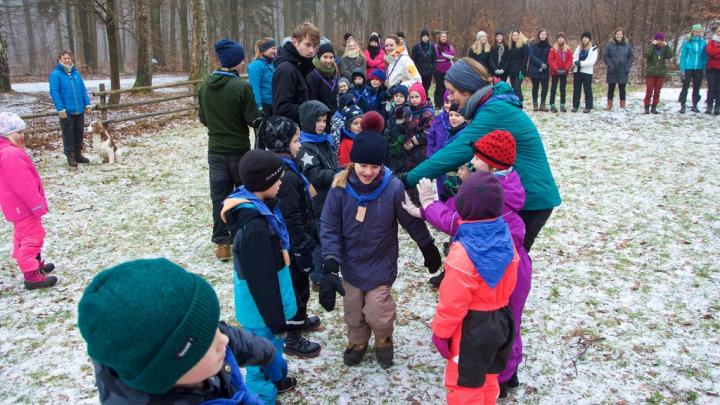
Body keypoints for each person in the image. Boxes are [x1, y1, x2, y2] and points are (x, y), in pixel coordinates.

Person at [77, 258, 288, 405]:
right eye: (204, 342)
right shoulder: (151, 349)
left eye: (212, 327)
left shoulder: (190, 347)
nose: (222, 339)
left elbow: (224, 336)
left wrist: (266, 353)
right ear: (165, 371)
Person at [403, 58, 561, 252]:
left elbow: (458, 150)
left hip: (531, 198)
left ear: (467, 90)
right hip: (514, 193)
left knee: (506, 261)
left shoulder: (494, 110)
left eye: (452, 92)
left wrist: (407, 180)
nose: (451, 98)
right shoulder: (490, 105)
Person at [318, 130, 441, 368]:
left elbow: (410, 219)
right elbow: (329, 226)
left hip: (380, 263)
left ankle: (383, 338)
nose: (368, 172)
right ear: (353, 162)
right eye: (363, 165)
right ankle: (357, 342)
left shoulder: (392, 187)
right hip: (351, 264)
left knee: (377, 311)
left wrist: (427, 246)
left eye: (375, 166)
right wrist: (331, 262)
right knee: (353, 310)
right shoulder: (339, 188)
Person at [430, 171, 518, 405]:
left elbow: (452, 303)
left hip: (472, 329)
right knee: (489, 379)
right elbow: (511, 280)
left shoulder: (463, 253)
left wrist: (441, 333)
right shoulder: (505, 236)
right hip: (501, 320)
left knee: (464, 387)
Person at [220, 149, 301, 403]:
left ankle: (277, 376)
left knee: (271, 348)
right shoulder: (255, 226)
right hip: (262, 308)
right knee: (260, 355)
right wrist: (276, 319)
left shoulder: (260, 209)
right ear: (265, 183)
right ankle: (261, 396)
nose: (281, 183)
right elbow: (261, 279)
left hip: (268, 304)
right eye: (277, 179)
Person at [256, 117, 324, 359]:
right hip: (291, 245)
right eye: (295, 140)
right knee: (295, 288)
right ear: (282, 143)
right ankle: (293, 336)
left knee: (300, 284)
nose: (299, 145)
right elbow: (290, 216)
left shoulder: (283, 167)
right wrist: (302, 245)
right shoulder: (286, 177)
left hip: (292, 242)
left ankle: (300, 319)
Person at [198, 38, 262, 261]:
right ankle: (245, 237)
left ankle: (222, 244)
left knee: (219, 197)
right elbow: (253, 118)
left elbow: (203, 118)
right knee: (243, 195)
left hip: (215, 151)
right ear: (235, 61)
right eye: (241, 58)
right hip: (238, 150)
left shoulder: (204, 86)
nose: (244, 62)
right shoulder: (241, 87)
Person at [0, 112, 57, 290]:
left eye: (23, 132)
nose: (22, 136)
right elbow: (23, 185)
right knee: (32, 237)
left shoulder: (8, 151)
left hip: (17, 207)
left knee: (24, 236)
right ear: (6, 134)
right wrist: (37, 205)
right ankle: (31, 275)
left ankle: (34, 264)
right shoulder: (11, 155)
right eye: (18, 133)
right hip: (24, 207)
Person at [48, 51, 92, 167]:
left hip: (79, 110)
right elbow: (54, 92)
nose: (67, 60)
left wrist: (87, 104)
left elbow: (83, 89)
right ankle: (70, 156)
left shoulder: (76, 73)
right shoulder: (56, 74)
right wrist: (60, 109)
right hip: (66, 111)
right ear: (60, 59)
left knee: (79, 132)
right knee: (68, 134)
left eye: (68, 58)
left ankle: (78, 154)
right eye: (64, 58)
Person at [296, 100, 339, 219]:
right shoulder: (305, 147)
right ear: (308, 121)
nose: (322, 125)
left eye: (324, 121)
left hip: (331, 195)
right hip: (319, 201)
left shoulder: (324, 140)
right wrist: (338, 173)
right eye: (318, 121)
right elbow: (314, 174)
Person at [272, 22, 320, 124]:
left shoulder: (304, 66)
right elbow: (281, 109)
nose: (312, 50)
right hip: (291, 133)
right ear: (295, 42)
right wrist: (311, 109)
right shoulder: (286, 69)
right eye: (308, 45)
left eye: (314, 46)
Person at [678, 24, 707, 113]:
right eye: (696, 31)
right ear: (693, 32)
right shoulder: (687, 43)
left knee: (697, 87)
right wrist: (682, 68)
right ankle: (683, 105)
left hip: (698, 68)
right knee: (685, 86)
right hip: (688, 67)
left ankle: (695, 105)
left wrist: (704, 67)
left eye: (699, 32)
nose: (697, 33)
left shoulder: (703, 43)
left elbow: (704, 57)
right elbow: (683, 56)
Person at [602, 29, 634, 111]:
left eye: (620, 34)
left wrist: (627, 67)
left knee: (622, 88)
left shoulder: (627, 45)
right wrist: (610, 65)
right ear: (614, 35)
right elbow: (605, 56)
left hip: (623, 70)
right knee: (611, 88)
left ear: (623, 35)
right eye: (617, 34)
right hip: (612, 70)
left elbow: (631, 57)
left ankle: (622, 105)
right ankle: (609, 105)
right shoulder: (609, 45)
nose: (618, 36)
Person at [643, 32, 674, 114]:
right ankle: (646, 107)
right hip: (651, 72)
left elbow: (670, 55)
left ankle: (654, 107)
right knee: (649, 90)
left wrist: (666, 46)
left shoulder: (664, 48)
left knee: (657, 91)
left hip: (660, 73)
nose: (659, 41)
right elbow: (646, 54)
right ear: (655, 40)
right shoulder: (651, 47)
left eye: (661, 40)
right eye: (658, 40)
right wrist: (652, 45)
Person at [307, 42, 339, 117]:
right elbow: (312, 101)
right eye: (325, 57)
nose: (328, 61)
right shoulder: (312, 76)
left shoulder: (334, 74)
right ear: (319, 57)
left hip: (334, 116)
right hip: (320, 118)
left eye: (331, 57)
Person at [248, 37, 277, 115]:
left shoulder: (272, 64)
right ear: (264, 49)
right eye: (273, 48)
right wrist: (259, 106)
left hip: (274, 103)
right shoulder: (255, 65)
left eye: (275, 48)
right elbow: (254, 87)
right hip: (264, 105)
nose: (275, 51)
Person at [384, 85, 410, 172]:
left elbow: (407, 127)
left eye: (401, 96)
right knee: (391, 162)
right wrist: (386, 135)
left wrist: (400, 140)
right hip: (392, 139)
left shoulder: (407, 110)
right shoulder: (392, 108)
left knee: (401, 164)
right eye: (396, 96)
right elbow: (389, 123)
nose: (398, 98)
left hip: (401, 142)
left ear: (405, 97)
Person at [572, 31, 598, 113]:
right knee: (576, 89)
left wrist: (581, 63)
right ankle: (575, 105)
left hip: (587, 72)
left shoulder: (593, 49)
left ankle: (588, 106)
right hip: (577, 71)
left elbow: (592, 61)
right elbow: (573, 58)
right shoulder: (578, 48)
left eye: (586, 38)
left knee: (587, 89)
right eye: (583, 38)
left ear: (589, 39)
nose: (584, 39)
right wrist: (575, 62)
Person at [548, 32, 573, 112]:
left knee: (563, 88)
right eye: (559, 38)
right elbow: (550, 60)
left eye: (562, 38)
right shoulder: (553, 49)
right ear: (557, 39)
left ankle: (562, 104)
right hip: (555, 72)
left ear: (564, 39)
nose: (560, 39)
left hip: (564, 72)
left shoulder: (567, 49)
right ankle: (552, 104)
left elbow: (570, 59)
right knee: (553, 88)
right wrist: (556, 69)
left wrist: (566, 69)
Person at [528, 29, 551, 111]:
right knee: (535, 87)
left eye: (545, 34)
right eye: (542, 34)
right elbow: (531, 56)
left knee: (544, 87)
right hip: (534, 68)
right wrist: (541, 64)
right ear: (539, 35)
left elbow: (550, 57)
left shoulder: (549, 46)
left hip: (545, 70)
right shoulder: (533, 44)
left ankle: (542, 104)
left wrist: (546, 65)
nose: (543, 36)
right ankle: (535, 104)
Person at [434, 32, 456, 108]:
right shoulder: (436, 46)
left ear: (447, 38)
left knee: (446, 87)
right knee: (438, 87)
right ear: (439, 38)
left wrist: (443, 53)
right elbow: (436, 55)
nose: (443, 38)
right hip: (438, 70)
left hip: (447, 70)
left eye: (445, 37)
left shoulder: (449, 46)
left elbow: (452, 54)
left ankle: (445, 102)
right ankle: (437, 104)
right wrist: (446, 55)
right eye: (442, 37)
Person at [411, 29, 436, 95]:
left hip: (428, 72)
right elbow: (412, 60)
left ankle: (426, 101)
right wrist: (417, 67)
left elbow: (434, 59)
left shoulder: (432, 47)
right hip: (419, 72)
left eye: (426, 36)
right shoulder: (416, 47)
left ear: (428, 37)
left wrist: (432, 68)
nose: (425, 37)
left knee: (426, 89)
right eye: (423, 36)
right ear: (421, 37)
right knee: (419, 88)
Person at [507, 30, 529, 106]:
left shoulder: (524, 45)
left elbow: (525, 58)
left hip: (520, 70)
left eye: (516, 35)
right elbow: (509, 59)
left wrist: (522, 70)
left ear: (519, 36)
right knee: (513, 87)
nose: (514, 37)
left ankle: (520, 101)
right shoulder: (510, 46)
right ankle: (515, 101)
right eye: (513, 35)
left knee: (517, 86)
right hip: (512, 70)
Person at [707, 24, 720, 115]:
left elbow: (713, 54)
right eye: (719, 31)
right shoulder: (711, 42)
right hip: (711, 68)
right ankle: (709, 105)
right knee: (711, 88)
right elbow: (709, 52)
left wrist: (715, 54)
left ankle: (717, 106)